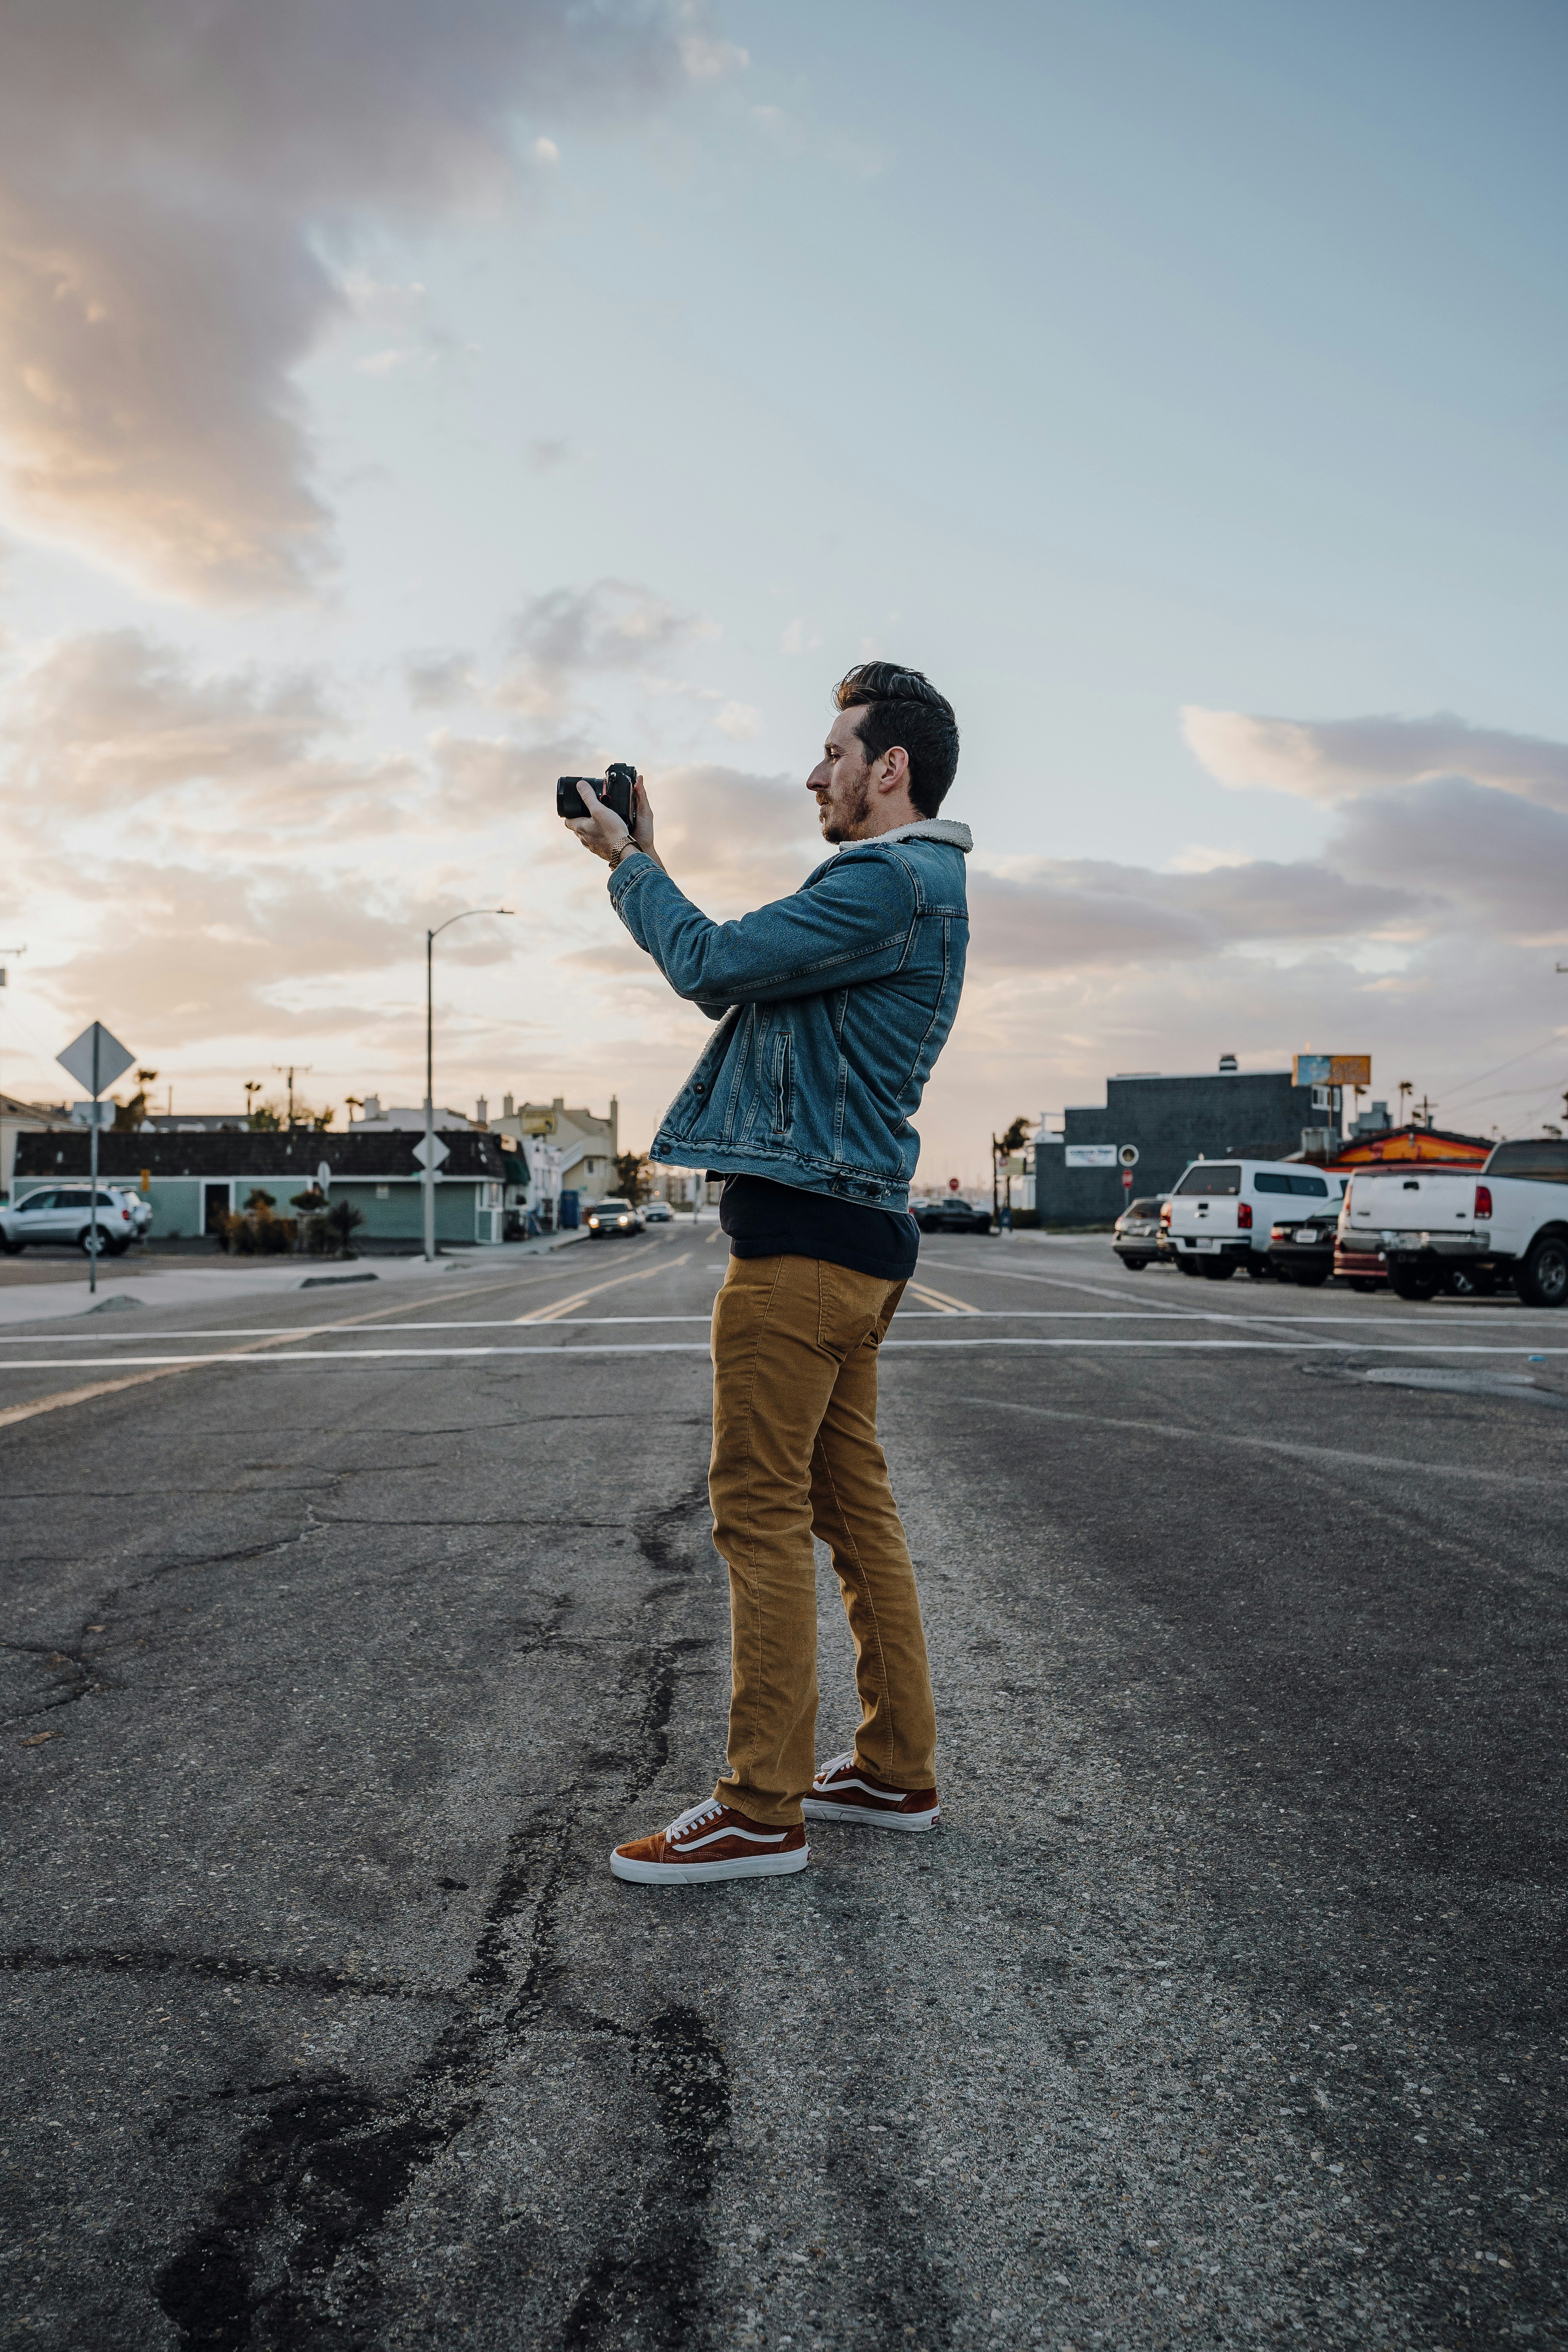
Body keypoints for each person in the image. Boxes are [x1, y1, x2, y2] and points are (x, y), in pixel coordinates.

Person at [565, 662, 969, 1885]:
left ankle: (758, 1808)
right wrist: (650, 862)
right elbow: (739, 979)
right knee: (852, 1516)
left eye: (833, 753)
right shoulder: (910, 889)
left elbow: (708, 962)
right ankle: (894, 1769)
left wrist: (629, 863)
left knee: (759, 1516)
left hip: (802, 1255)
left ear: (887, 769)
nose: (814, 774)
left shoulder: (885, 878)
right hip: (852, 1241)